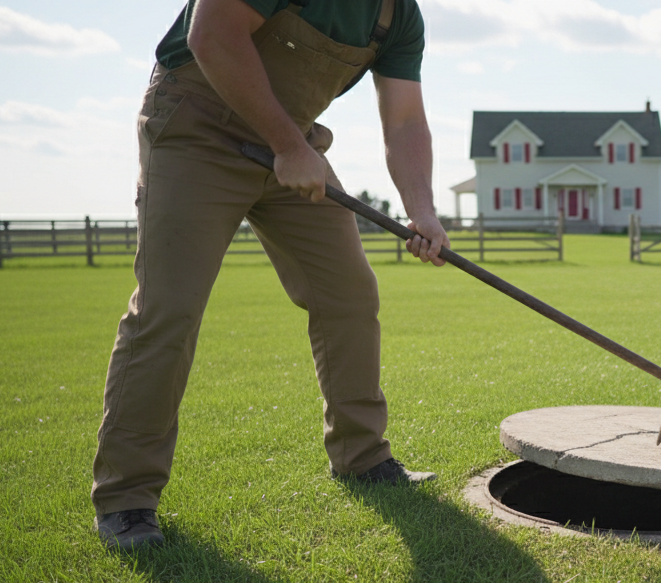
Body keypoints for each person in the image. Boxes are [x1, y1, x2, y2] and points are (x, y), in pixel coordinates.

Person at [92, 0, 448, 552]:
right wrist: (287, 146)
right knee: (171, 308)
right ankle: (126, 498)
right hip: (196, 124)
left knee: (349, 294)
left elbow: (404, 121)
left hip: (294, 143)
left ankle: (362, 458)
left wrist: (421, 209)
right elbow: (211, 35)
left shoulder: (396, 16)